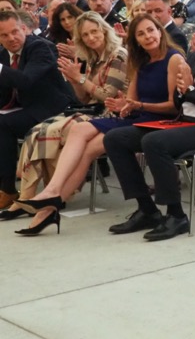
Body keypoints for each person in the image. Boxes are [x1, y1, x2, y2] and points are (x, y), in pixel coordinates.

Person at [13, 14, 183, 235]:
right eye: (141, 33)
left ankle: (50, 201)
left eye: (150, 30)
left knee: (87, 138)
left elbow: (173, 106)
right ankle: (49, 203)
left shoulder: (168, 58)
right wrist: (122, 104)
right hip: (134, 115)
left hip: (156, 119)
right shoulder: (137, 60)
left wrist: (130, 103)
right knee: (82, 138)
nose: (147, 36)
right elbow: (123, 101)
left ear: (160, 31)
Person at [101, 0, 195, 241]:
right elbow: (180, 98)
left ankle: (176, 215)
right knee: (115, 138)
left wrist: (190, 90)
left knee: (154, 142)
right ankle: (147, 209)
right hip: (185, 121)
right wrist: (180, 92)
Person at [2, 12, 127, 223]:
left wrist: (80, 79)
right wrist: (76, 81)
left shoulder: (118, 55)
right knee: (39, 132)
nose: (90, 37)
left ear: (105, 30)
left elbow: (107, 96)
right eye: (85, 35)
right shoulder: (93, 58)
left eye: (94, 31)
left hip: (110, 113)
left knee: (46, 131)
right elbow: (83, 98)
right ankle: (27, 196)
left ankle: (47, 195)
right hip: (91, 111)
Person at [0, 11, 73, 210]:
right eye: (4, 35)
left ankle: (7, 189)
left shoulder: (40, 47)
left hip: (53, 109)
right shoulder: (3, 55)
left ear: (24, 28)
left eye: (15, 32)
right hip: (25, 108)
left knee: (2, 125)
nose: (11, 38)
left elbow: (26, 81)